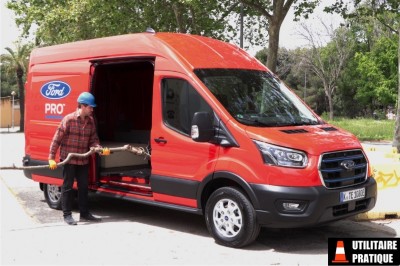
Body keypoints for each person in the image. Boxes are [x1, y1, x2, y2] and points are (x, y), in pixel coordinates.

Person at [48, 92, 110, 225]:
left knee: (83, 187)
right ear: (82, 106)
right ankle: (67, 215)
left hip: (83, 160)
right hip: (68, 160)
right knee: (68, 187)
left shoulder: (91, 122)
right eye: (90, 107)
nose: (92, 110)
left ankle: (84, 213)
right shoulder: (68, 119)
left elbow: (93, 140)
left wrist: (99, 149)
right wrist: (51, 157)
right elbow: (56, 139)